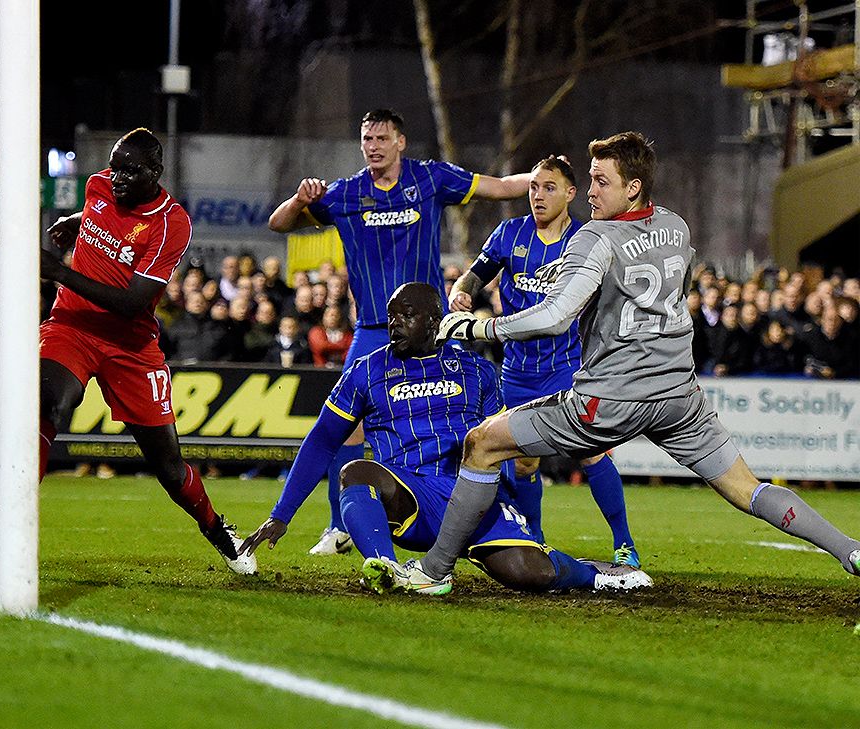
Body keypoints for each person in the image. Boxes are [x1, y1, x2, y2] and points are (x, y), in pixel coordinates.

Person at [426, 132, 860, 593]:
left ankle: (433, 572)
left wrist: (478, 328)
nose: (590, 191)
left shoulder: (595, 236)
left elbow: (555, 317)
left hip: (612, 397)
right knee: (747, 489)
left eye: (600, 181)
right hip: (678, 397)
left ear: (632, 188)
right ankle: (851, 550)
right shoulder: (676, 226)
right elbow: (669, 287)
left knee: (483, 443)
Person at [239, 283, 650, 595]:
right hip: (410, 497)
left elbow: (509, 449)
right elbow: (321, 441)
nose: (393, 323)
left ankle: (599, 574)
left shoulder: (477, 371)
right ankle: (387, 567)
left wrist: (520, 512)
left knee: (531, 574)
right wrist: (282, 513)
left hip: (473, 497)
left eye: (405, 316)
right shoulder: (366, 370)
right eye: (390, 316)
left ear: (434, 323)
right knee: (356, 471)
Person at [266, 108, 533, 556]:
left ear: (401, 142)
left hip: (431, 332)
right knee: (345, 431)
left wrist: (542, 179)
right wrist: (299, 200)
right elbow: (278, 223)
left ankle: (475, 509)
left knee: (460, 418)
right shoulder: (346, 193)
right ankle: (340, 525)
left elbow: (501, 188)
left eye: (381, 138)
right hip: (373, 329)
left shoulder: (430, 179)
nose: (373, 145)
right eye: (367, 138)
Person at [38, 127, 256, 575]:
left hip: (131, 346)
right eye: (114, 168)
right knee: (47, 402)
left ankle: (218, 530)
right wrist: (77, 220)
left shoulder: (171, 223)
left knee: (169, 469)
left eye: (129, 172)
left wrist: (59, 272)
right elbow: (102, 215)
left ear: (155, 173)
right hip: (72, 326)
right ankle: (13, 521)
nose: (116, 179)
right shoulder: (100, 185)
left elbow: (131, 303)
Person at [448, 156, 639, 566]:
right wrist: (462, 292)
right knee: (523, 461)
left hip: (570, 370)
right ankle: (534, 539)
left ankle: (624, 543)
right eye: (533, 186)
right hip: (517, 372)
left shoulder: (587, 240)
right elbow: (475, 275)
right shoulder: (509, 233)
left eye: (549, 187)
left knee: (592, 452)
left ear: (571, 193)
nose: (537, 195)